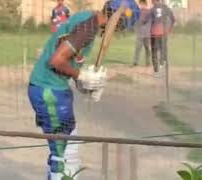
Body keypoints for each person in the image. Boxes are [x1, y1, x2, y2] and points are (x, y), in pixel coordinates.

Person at [27, 1, 139, 179]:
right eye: (122, 26)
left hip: (55, 88)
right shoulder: (87, 28)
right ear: (118, 21)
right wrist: (81, 76)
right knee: (61, 152)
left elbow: (67, 62)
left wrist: (83, 84)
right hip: (48, 90)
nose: (119, 31)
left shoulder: (88, 21)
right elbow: (56, 61)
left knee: (70, 141)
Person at [144, 0, 175, 76]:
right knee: (163, 49)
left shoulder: (152, 9)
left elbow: (145, 20)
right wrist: (169, 29)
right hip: (163, 32)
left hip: (154, 33)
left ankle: (156, 71)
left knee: (154, 52)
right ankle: (162, 65)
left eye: (152, 1)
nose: (151, 2)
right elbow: (173, 19)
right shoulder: (165, 8)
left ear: (154, 1)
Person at [133, 0, 151, 67]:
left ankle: (148, 62)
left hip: (147, 34)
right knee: (138, 48)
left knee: (147, 49)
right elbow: (132, 17)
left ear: (145, 4)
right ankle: (135, 62)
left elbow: (143, 20)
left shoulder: (148, 12)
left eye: (141, 4)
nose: (140, 6)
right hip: (140, 34)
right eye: (140, 4)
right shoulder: (139, 11)